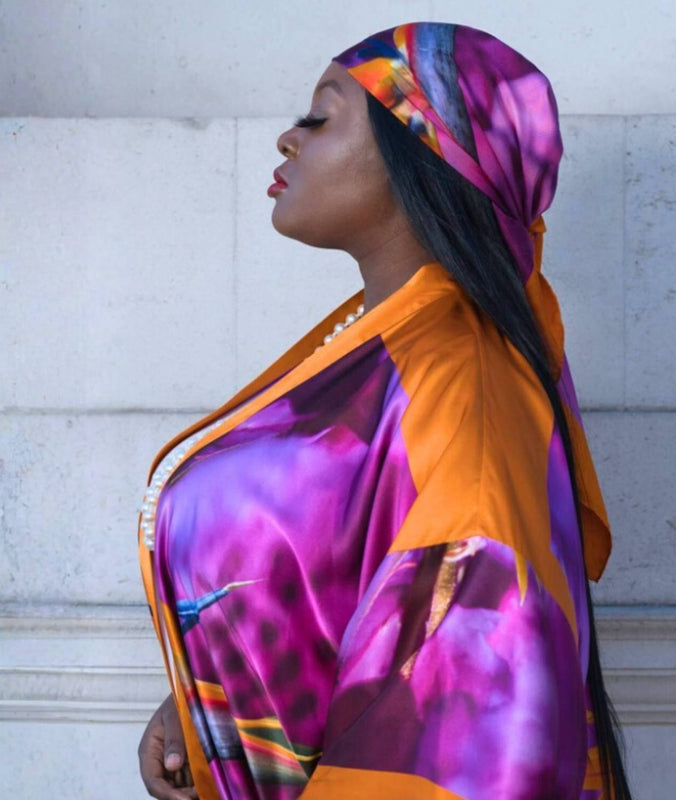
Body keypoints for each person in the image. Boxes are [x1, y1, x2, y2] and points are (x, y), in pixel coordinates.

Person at [137, 21, 633, 800]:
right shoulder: (386, 348)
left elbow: (464, 715)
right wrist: (212, 698)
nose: (285, 140)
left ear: (419, 152)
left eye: (319, 117)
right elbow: (340, 580)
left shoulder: (459, 385)